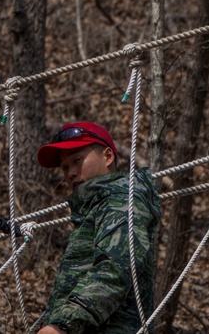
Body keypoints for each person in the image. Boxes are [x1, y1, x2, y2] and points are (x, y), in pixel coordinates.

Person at [33, 122, 161, 334]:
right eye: (65, 167)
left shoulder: (122, 199)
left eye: (77, 160)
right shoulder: (96, 206)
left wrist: (61, 325)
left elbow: (116, 268)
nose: (71, 173)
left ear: (108, 156)